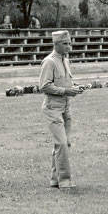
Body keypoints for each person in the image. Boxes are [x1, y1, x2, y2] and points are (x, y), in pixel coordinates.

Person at [38, 30, 84, 189]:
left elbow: (65, 82)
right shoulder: (49, 62)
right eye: (65, 44)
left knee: (63, 144)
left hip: (66, 107)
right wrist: (66, 91)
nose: (69, 47)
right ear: (56, 44)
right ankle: (65, 180)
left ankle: (54, 179)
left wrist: (75, 88)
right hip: (53, 108)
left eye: (70, 43)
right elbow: (44, 86)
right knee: (62, 143)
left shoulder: (65, 60)